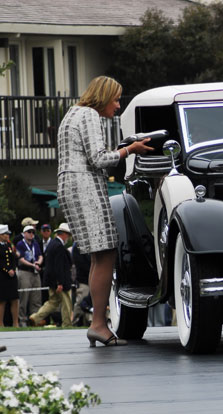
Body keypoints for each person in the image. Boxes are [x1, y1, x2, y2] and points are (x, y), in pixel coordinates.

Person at [57, 76, 150, 347]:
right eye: (116, 99)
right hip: (84, 186)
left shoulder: (73, 113)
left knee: (101, 255)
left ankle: (98, 323)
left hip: (71, 184)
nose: (118, 106)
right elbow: (98, 158)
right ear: (104, 97)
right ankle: (98, 323)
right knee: (106, 252)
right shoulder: (89, 115)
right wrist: (129, 150)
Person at [29, 223, 73, 327]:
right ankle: (67, 323)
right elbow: (59, 266)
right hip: (60, 281)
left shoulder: (52, 244)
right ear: (64, 234)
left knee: (52, 302)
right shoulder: (58, 246)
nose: (68, 237)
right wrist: (60, 283)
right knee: (66, 302)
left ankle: (36, 317)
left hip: (52, 280)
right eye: (68, 235)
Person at [0, 224, 19, 327]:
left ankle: (15, 322)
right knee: (1, 300)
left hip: (11, 276)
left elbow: (12, 259)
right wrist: (7, 270)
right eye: (5, 234)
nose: (7, 236)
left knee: (14, 299)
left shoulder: (8, 245)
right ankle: (0, 323)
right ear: (0, 235)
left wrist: (13, 269)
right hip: (0, 276)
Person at [15, 225, 43, 327]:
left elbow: (40, 255)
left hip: (35, 271)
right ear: (24, 233)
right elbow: (20, 258)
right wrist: (33, 265)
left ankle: (35, 318)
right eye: (29, 232)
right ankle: (22, 319)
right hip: (25, 271)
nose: (31, 234)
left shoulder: (35, 244)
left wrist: (38, 263)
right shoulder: (20, 244)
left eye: (33, 232)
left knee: (36, 296)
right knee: (24, 296)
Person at [71, 241, 92, 326]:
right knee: (80, 301)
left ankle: (85, 321)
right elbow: (81, 264)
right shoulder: (77, 246)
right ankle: (75, 321)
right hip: (83, 279)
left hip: (90, 278)